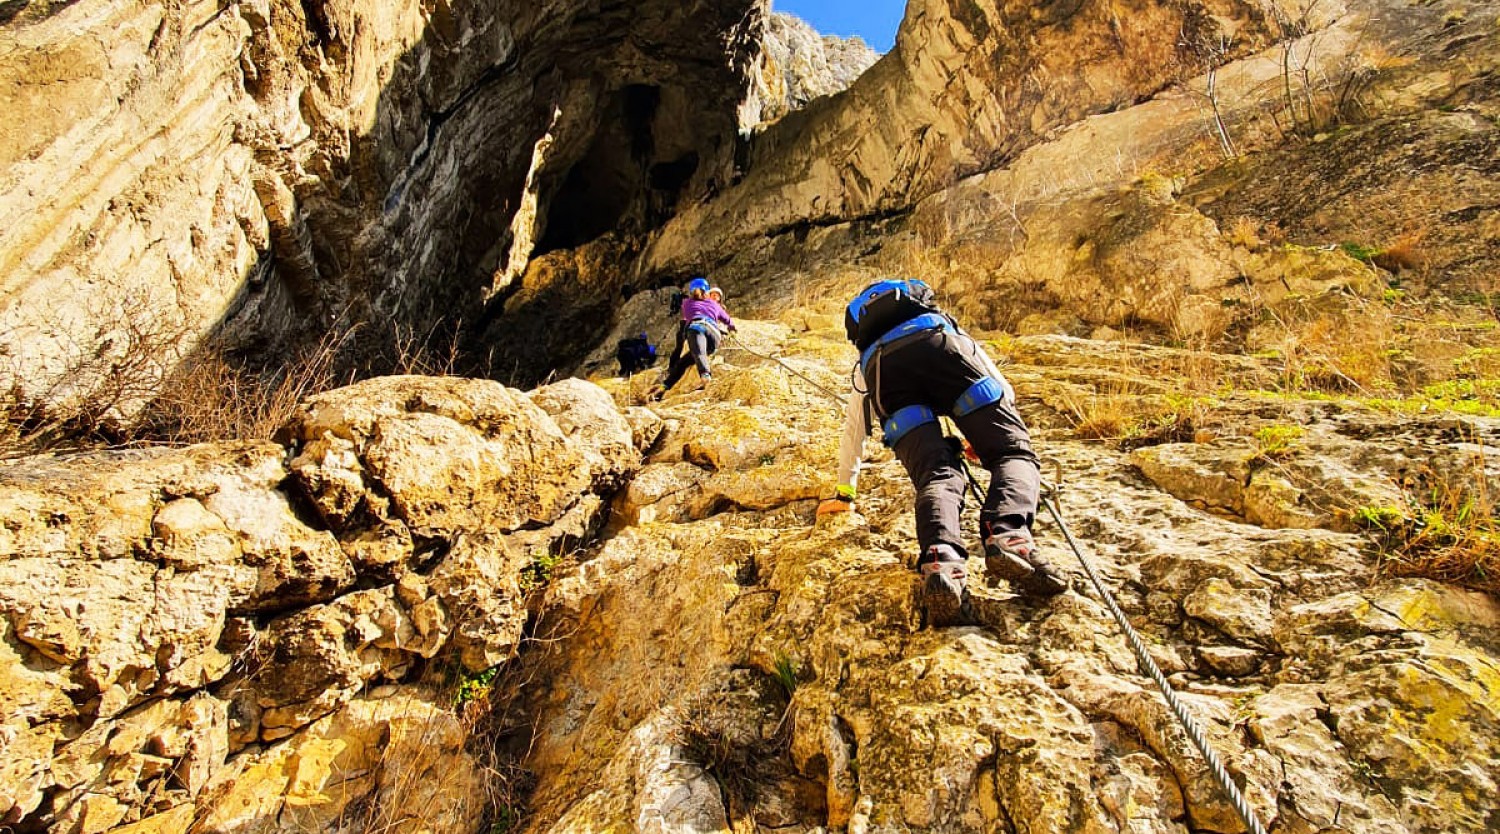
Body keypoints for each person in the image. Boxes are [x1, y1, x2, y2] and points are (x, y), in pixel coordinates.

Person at [816, 278, 1066, 626]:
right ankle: (1008, 534)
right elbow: (1000, 388)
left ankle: (942, 560)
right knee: (1012, 454)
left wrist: (845, 491)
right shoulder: (938, 320)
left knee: (937, 474)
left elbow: (854, 430)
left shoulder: (868, 355)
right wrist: (985, 438)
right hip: (942, 349)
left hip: (886, 375)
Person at [654, 277, 735, 398]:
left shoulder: (687, 303)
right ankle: (665, 386)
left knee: (698, 353)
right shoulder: (714, 304)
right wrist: (732, 328)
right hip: (714, 337)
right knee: (683, 362)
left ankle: (706, 377)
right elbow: (728, 320)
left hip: (697, 328)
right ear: (706, 291)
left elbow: (688, 315)